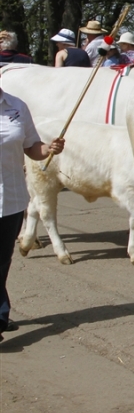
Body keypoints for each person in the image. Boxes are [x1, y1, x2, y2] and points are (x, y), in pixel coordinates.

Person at [0, 87, 64, 341]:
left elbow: (32, 148)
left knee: (2, 262)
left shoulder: (16, 106)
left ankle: (1, 313)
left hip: (11, 200)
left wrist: (50, 148)